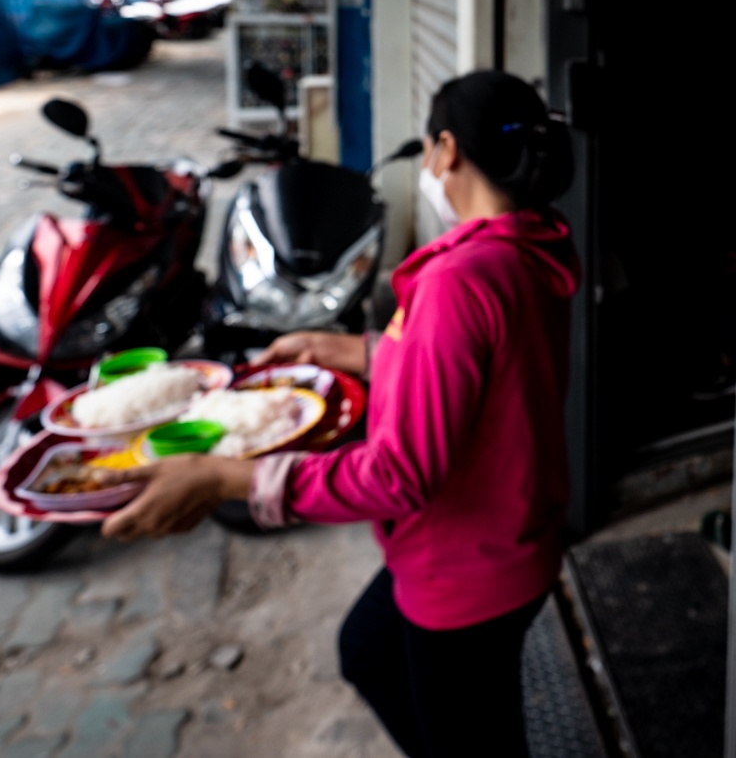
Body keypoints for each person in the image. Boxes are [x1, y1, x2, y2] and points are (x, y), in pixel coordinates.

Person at [102, 71, 578, 758]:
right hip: (510, 542)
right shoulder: (530, 247)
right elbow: (476, 369)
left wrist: (227, 477)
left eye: (425, 150)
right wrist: (346, 349)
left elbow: (397, 475)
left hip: (466, 570)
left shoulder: (460, 279)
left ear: (445, 150)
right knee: (369, 651)